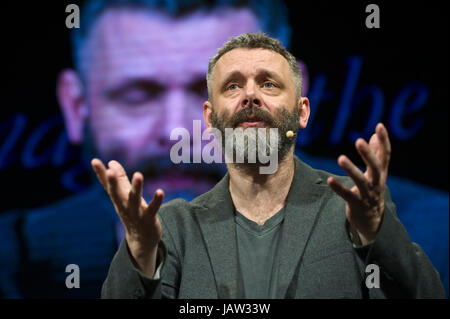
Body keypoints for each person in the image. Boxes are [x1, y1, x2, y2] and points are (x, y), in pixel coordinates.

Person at [95, 33, 446, 299]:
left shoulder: (350, 207)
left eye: (268, 83)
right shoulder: (174, 227)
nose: (250, 95)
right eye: (233, 86)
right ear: (209, 118)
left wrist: (374, 232)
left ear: (303, 111)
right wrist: (140, 251)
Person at [0, 0, 302, 298]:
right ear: (77, 106)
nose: (175, 131)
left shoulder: (346, 224)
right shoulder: (14, 264)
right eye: (137, 96)